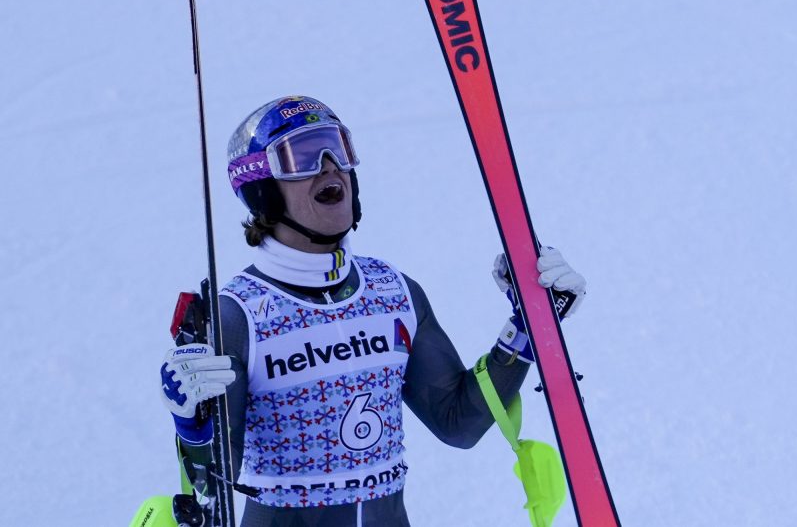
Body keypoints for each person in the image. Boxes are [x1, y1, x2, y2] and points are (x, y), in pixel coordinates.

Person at [158, 95, 585, 526]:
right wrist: (191, 423)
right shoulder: (238, 316)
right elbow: (212, 491)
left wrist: (527, 328)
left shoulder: (392, 292)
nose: (329, 166)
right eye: (301, 156)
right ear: (263, 190)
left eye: (337, 148)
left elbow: (458, 422)